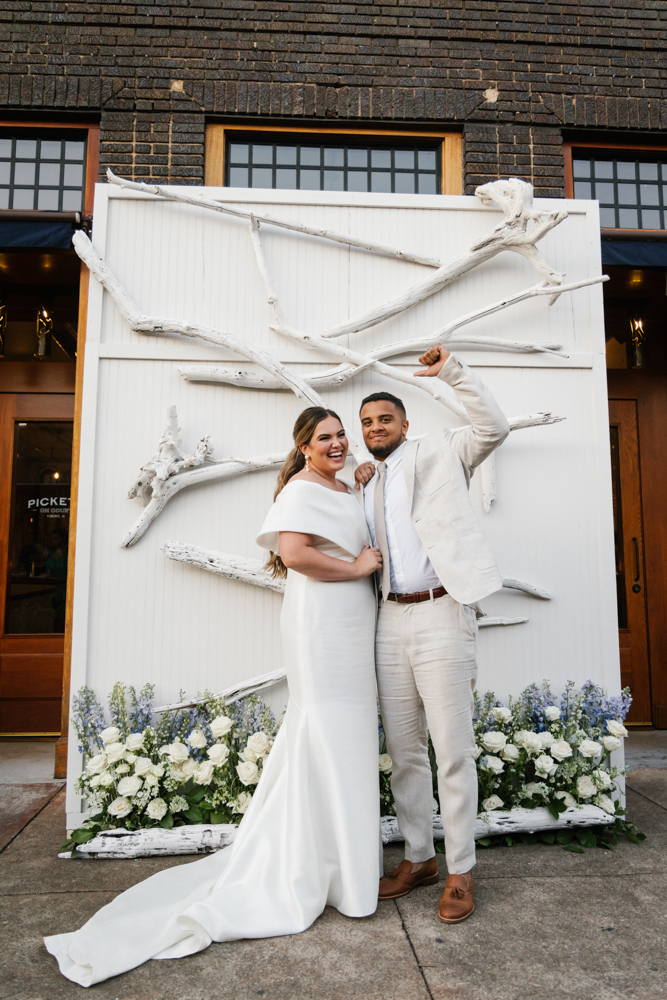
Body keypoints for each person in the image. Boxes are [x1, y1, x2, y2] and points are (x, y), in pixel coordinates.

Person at [44, 406, 383, 987]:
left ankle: (341, 868)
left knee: (343, 737)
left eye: (339, 435)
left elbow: (339, 521)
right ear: (303, 447)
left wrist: (357, 483)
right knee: (327, 729)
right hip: (323, 623)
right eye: (324, 437)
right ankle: (329, 870)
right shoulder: (302, 488)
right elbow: (298, 554)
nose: (337, 443)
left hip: (349, 623)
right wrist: (358, 570)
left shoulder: (338, 483)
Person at [354, 344, 510, 924]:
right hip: (388, 618)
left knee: (452, 750)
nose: (375, 428)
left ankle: (461, 869)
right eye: (367, 422)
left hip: (444, 613)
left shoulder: (445, 449)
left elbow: (494, 425)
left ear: (405, 423)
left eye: (384, 419)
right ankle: (419, 857)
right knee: (404, 752)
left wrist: (452, 370)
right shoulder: (364, 480)